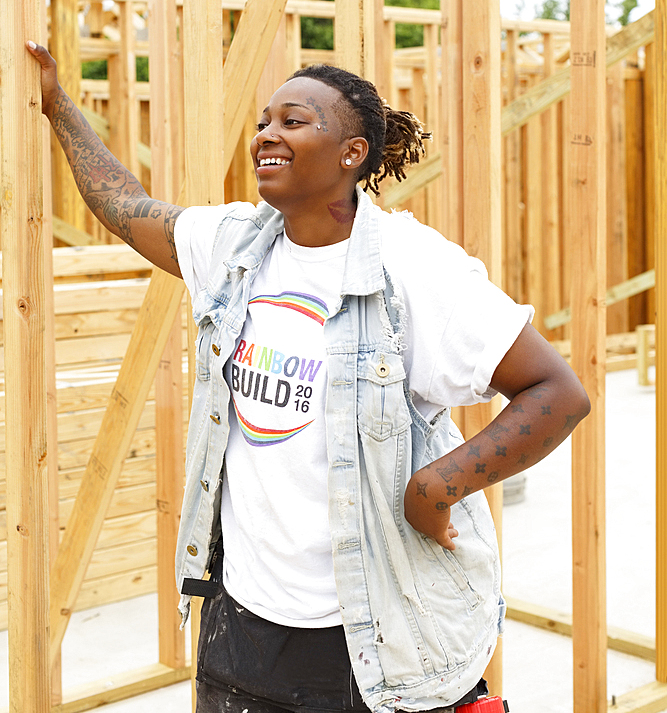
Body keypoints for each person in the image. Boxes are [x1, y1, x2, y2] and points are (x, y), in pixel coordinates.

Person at [27, 42, 590, 713]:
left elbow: (557, 392)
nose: (267, 133)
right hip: (240, 625)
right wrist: (59, 105)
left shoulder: (414, 270)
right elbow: (125, 207)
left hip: (370, 637)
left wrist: (438, 486)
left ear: (351, 153)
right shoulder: (234, 243)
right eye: (265, 121)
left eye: (292, 120)